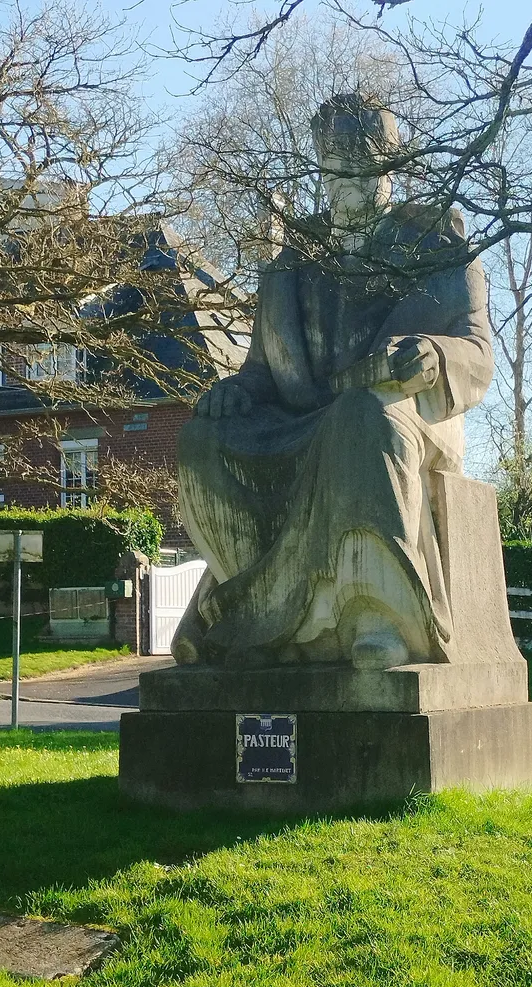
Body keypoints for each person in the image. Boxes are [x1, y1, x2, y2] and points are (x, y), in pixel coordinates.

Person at [173, 92, 494, 669]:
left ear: (388, 168)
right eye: (332, 169)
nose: (342, 183)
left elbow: (477, 353)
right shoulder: (296, 262)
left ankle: (377, 615)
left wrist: (433, 359)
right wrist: (234, 394)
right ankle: (257, 618)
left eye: (357, 168)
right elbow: (261, 374)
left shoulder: (438, 246)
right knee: (203, 440)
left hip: (402, 412)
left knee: (360, 420)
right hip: (302, 422)